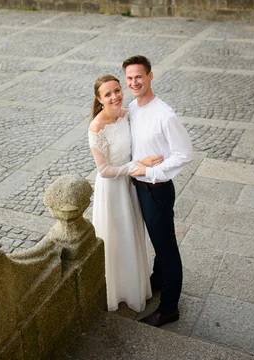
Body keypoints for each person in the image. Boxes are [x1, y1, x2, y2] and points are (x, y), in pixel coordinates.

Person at [122, 55, 193, 328]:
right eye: (129, 78)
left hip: (157, 190)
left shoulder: (165, 115)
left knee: (166, 248)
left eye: (139, 76)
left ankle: (169, 307)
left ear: (150, 76)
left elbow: (184, 154)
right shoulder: (133, 107)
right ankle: (159, 279)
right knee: (156, 242)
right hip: (139, 188)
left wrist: (148, 172)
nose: (134, 82)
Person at [88, 74, 163, 313]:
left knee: (132, 235)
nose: (115, 97)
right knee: (116, 238)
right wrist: (137, 166)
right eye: (108, 94)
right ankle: (117, 290)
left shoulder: (127, 115)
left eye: (117, 91)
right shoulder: (96, 127)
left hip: (130, 186)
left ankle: (136, 286)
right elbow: (104, 170)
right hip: (112, 190)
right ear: (99, 99)